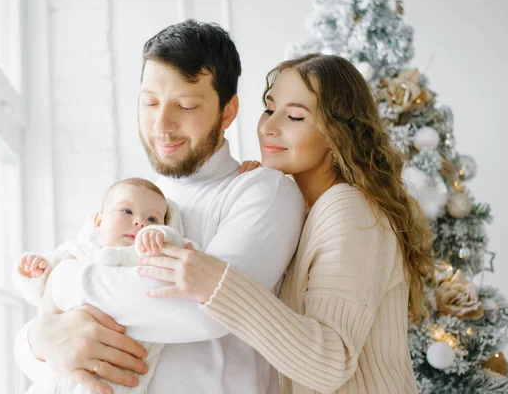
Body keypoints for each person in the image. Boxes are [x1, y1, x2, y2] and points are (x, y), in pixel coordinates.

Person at [14, 20, 305, 394]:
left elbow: (205, 310)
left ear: (228, 112)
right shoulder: (133, 200)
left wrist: (65, 281)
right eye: (150, 102)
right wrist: (38, 339)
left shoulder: (262, 191)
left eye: (185, 105)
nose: (161, 125)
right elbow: (50, 332)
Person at [137, 54, 436, 393]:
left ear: (338, 134)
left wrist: (219, 283)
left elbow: (330, 363)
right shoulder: (306, 208)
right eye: (269, 109)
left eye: (294, 116)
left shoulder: (348, 210)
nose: (268, 127)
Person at [13, 178, 200, 394]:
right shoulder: (79, 250)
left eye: (152, 218)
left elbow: (186, 254)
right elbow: (41, 292)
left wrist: (162, 237)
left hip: (116, 377)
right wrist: (36, 272)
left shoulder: (147, 255)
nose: (140, 222)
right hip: (59, 372)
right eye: (127, 211)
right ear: (99, 221)